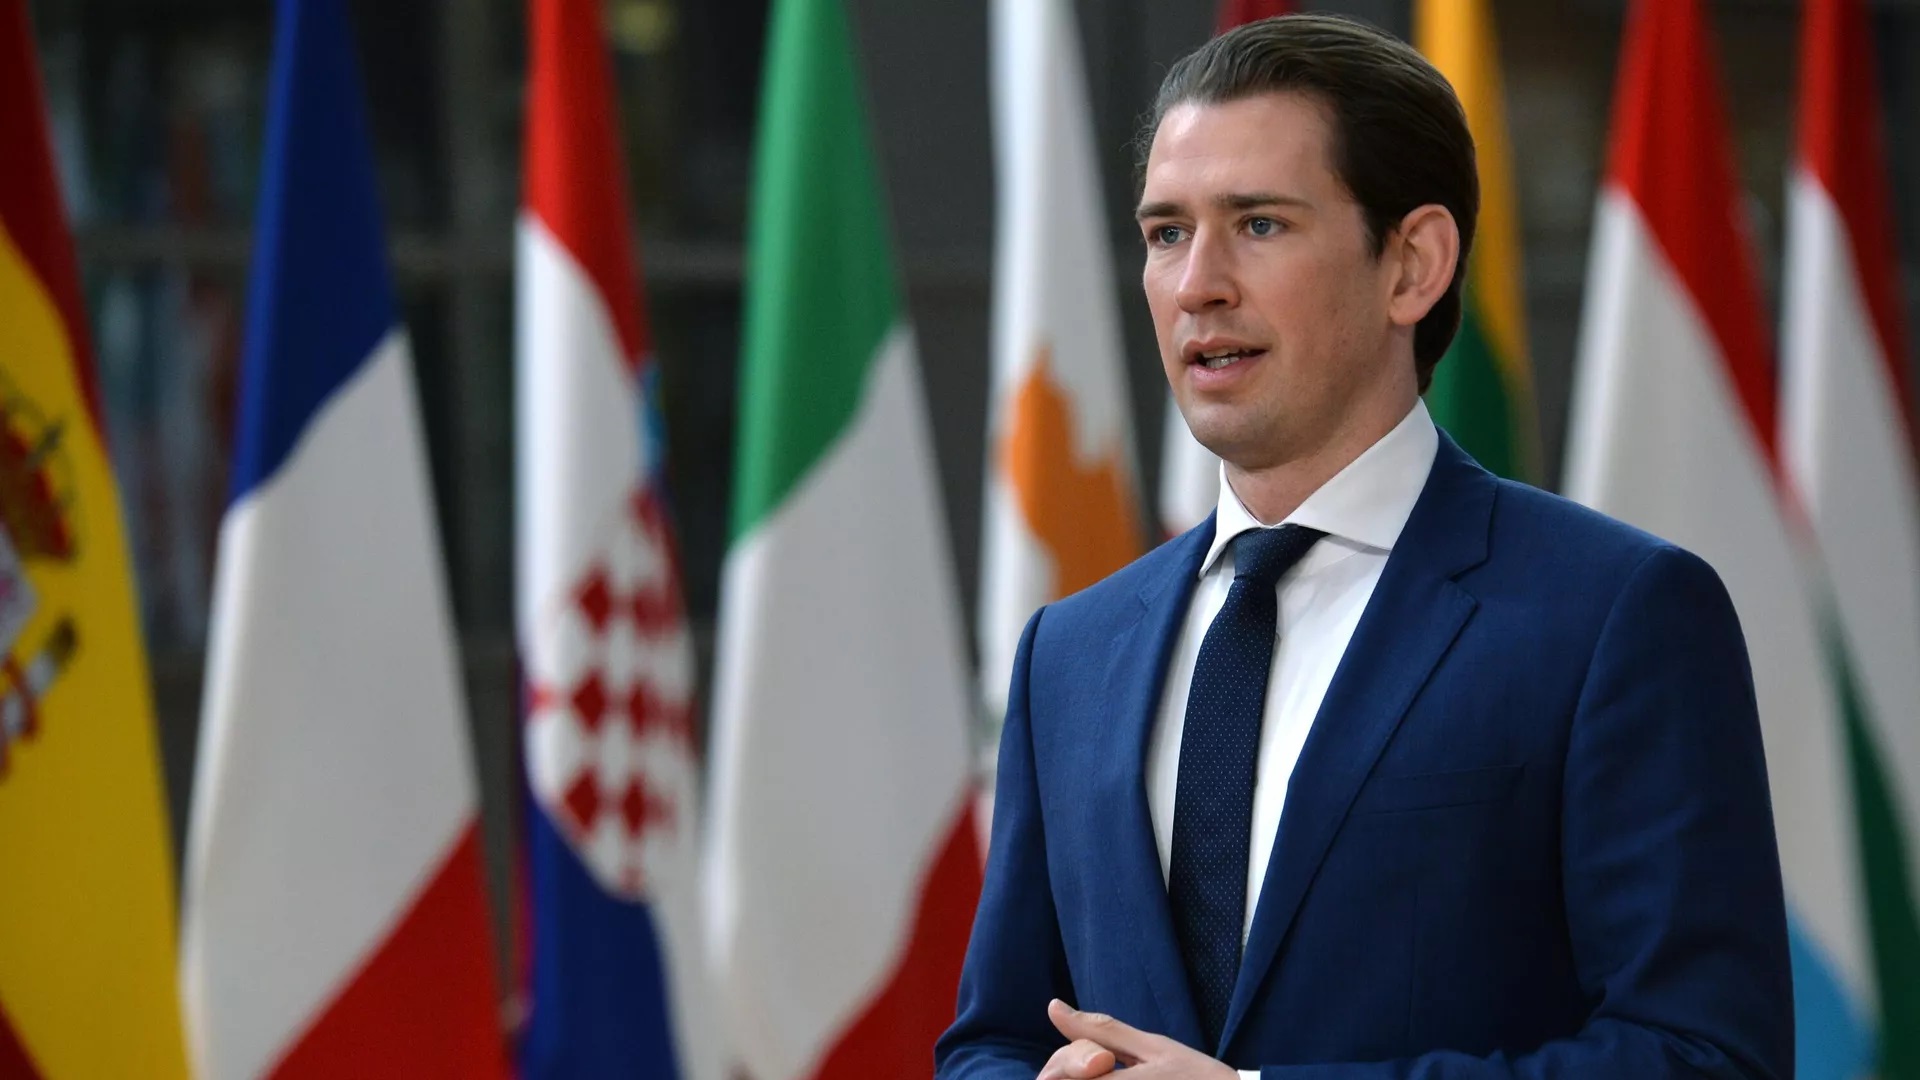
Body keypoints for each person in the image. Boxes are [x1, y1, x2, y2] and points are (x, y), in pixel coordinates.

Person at [934, 13, 1792, 1080]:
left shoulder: (1618, 616)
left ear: (1413, 265)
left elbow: (1704, 1056)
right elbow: (997, 1038)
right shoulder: (1068, 652)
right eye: (1166, 233)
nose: (1197, 283)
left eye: (1258, 224)